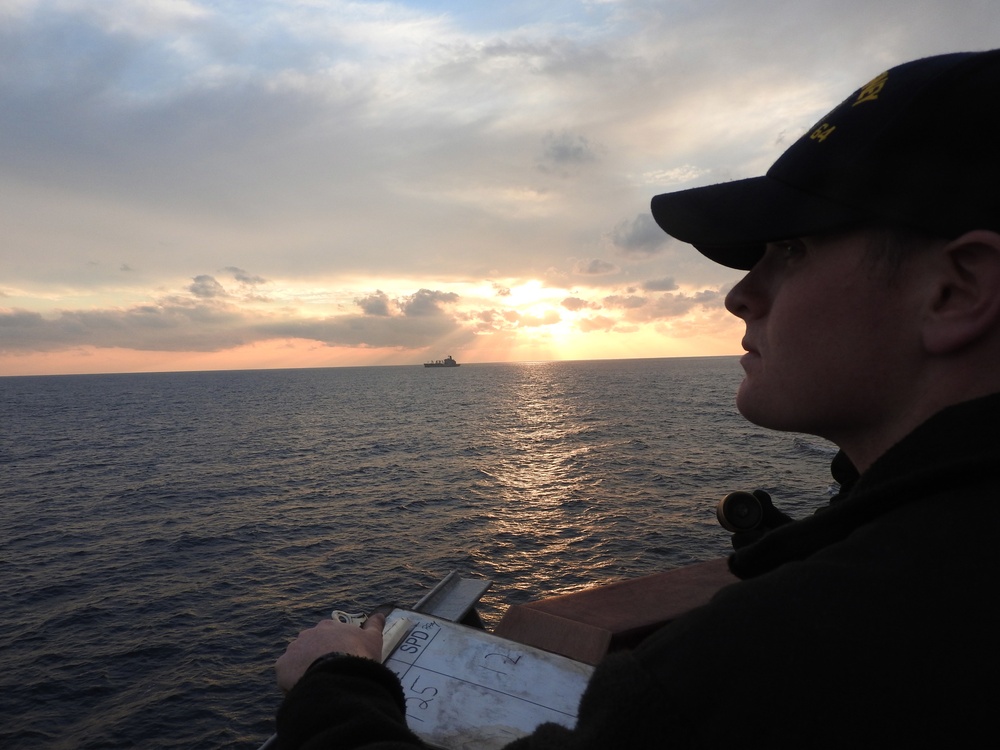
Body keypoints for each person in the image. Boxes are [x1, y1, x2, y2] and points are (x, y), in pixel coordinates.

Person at [272, 49, 1000, 747]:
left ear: (955, 289)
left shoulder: (807, 647)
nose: (739, 293)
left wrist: (332, 684)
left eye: (791, 249)